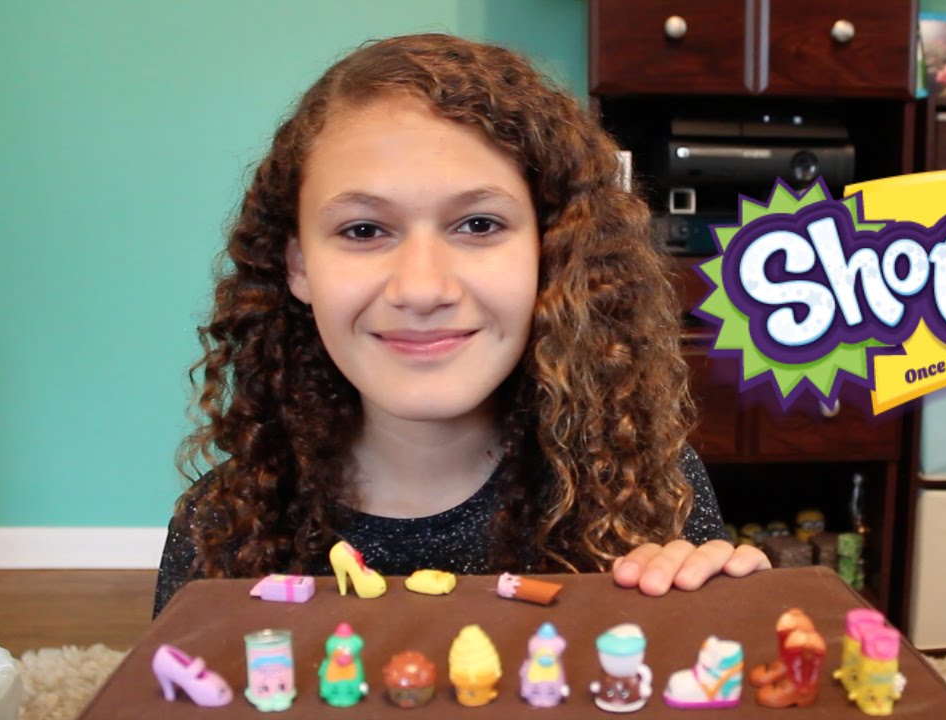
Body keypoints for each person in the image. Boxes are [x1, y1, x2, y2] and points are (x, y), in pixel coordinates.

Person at [153, 33, 768, 618]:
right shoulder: (223, 526)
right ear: (299, 266)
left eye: (478, 225)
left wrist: (715, 624)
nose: (422, 290)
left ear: (552, 252)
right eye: (364, 230)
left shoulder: (646, 487)